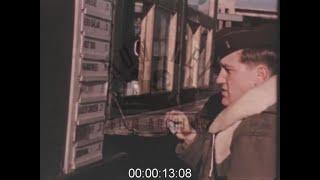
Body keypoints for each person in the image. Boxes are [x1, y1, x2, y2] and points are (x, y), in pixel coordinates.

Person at [165, 25, 279, 180]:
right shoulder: (248, 118)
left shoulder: (257, 131)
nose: (219, 79)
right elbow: (216, 165)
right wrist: (189, 136)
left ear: (260, 75)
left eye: (228, 70)